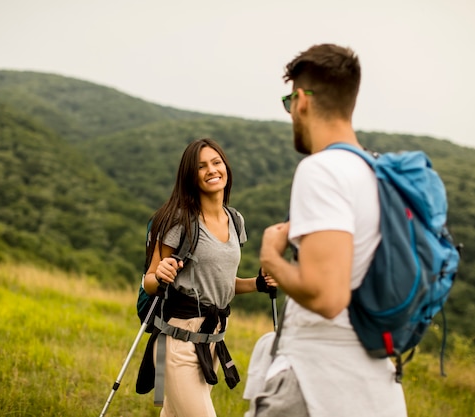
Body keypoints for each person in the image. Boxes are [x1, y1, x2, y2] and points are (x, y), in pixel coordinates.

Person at [248, 44, 408, 416]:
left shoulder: (321, 169)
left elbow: (326, 296)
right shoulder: (378, 172)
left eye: (290, 102)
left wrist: (270, 255)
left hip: (318, 383)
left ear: (302, 100)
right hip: (375, 384)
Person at [136, 138, 275, 417]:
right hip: (178, 344)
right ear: (191, 176)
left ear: (226, 167)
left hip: (210, 344)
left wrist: (258, 283)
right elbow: (150, 281)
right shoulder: (179, 220)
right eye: (201, 167)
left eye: (216, 162)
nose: (211, 170)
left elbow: (221, 283)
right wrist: (160, 273)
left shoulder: (235, 220)